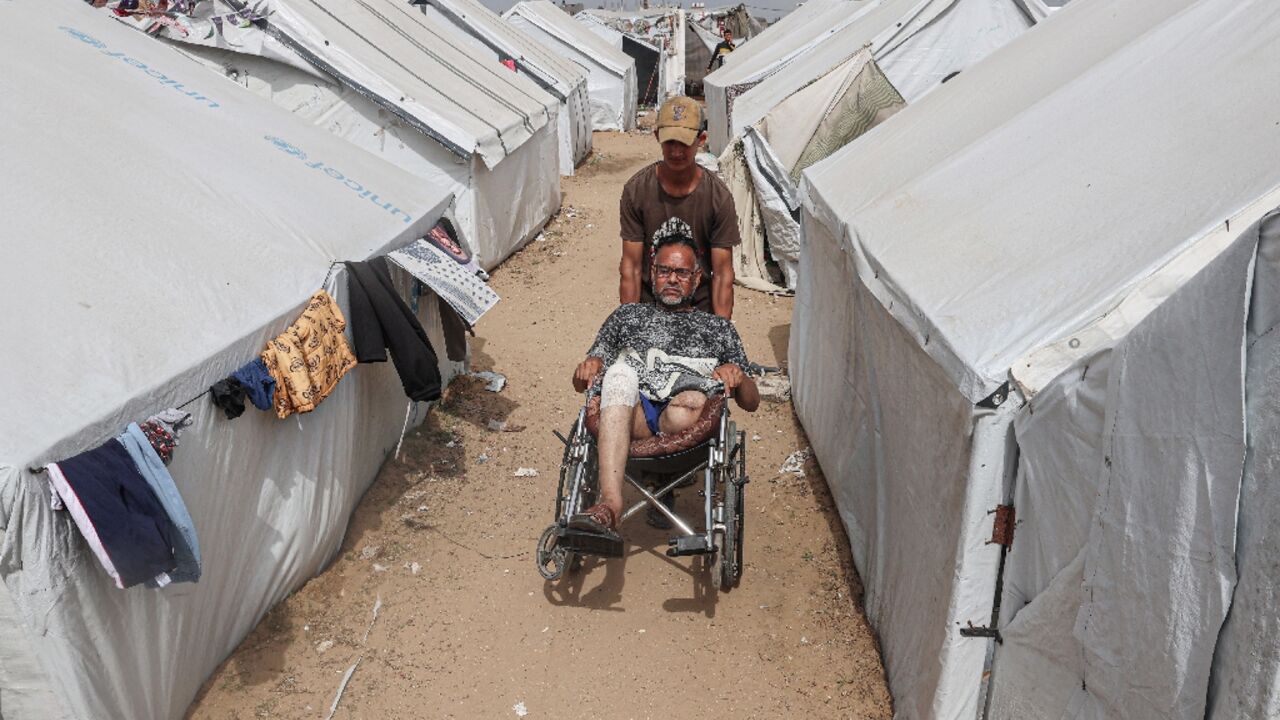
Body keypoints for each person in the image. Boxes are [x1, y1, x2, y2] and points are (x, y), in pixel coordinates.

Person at [569, 234, 759, 545]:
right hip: (631, 414)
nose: (671, 279)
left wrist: (738, 376)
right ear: (652, 274)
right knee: (618, 373)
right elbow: (583, 383)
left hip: (684, 421)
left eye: (681, 273)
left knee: (694, 399)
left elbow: (751, 402)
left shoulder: (718, 329)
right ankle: (610, 505)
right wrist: (587, 367)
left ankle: (661, 479)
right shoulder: (626, 316)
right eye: (663, 271)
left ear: (697, 278)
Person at [619, 95, 741, 319]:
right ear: (657, 137)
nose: (676, 152)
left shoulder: (718, 198)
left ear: (701, 139)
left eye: (684, 143)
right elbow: (631, 267)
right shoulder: (636, 191)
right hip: (650, 308)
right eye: (670, 142)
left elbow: (722, 274)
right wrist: (629, 324)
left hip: (699, 311)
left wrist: (722, 333)